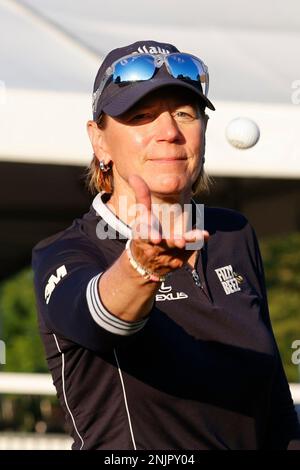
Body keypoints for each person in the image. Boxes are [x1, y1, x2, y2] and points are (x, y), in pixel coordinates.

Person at [32, 40, 300, 450]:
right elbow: (99, 320)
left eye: (184, 114)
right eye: (141, 116)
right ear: (99, 141)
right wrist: (143, 266)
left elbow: (275, 412)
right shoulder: (66, 252)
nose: (170, 133)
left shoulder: (234, 234)